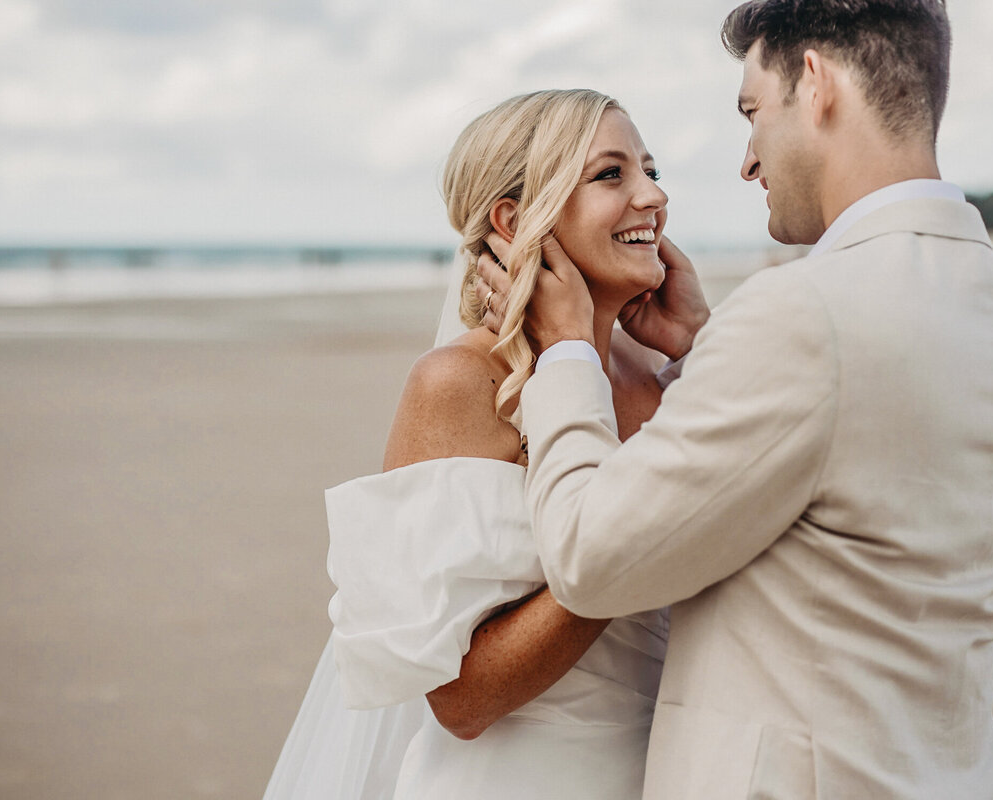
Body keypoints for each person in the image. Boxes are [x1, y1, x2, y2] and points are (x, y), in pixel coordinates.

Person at [474, 2, 993, 798]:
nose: (749, 162)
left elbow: (589, 559)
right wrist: (705, 347)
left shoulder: (805, 312)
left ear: (814, 84)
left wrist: (570, 350)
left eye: (753, 113)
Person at [264, 88, 684, 799]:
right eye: (612, 175)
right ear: (516, 220)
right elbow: (459, 700)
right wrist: (641, 528)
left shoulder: (662, 374)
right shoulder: (460, 383)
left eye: (650, 168)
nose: (653, 195)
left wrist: (696, 350)